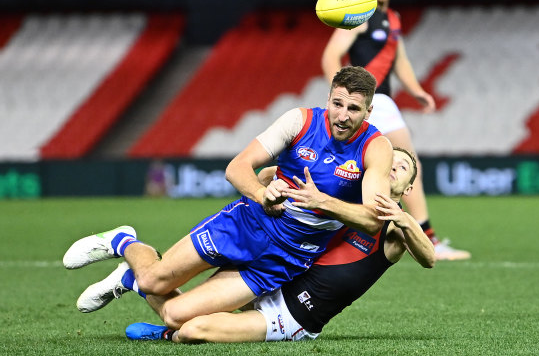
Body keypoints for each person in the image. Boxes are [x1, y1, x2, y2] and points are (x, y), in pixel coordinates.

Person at [63, 66, 393, 330]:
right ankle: (124, 242)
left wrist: (323, 202)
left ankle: (127, 277)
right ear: (328, 99)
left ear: (368, 110)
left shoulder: (376, 147)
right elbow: (237, 168)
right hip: (246, 224)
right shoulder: (300, 120)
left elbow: (371, 219)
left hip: (284, 258)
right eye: (337, 104)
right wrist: (264, 194)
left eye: (354, 108)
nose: (343, 115)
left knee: (176, 317)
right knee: (153, 279)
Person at [120, 147, 435, 343]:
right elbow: (271, 174)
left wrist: (407, 220)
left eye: (403, 167)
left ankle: (141, 292)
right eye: (390, 160)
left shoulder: (395, 228)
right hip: (274, 276)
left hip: (294, 315)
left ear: (408, 188)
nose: (394, 166)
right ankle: (131, 255)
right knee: (177, 310)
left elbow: (429, 259)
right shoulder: (346, 196)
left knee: (190, 330)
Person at [321, 0, 470, 260]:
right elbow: (329, 56)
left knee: (380, 168)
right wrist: (342, 99)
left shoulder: (393, 18)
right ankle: (428, 240)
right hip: (372, 101)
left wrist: (416, 90)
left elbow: (399, 60)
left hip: (384, 101)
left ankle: (351, 233)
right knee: (407, 166)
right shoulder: (357, 15)